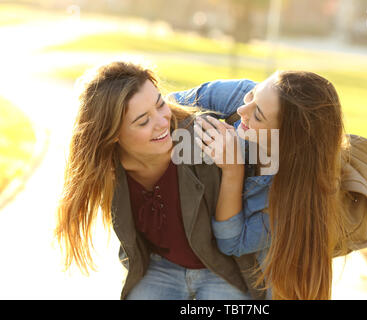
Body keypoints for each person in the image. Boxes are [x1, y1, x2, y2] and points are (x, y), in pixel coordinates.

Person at [54, 61, 266, 300]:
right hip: (160, 267)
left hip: (219, 269)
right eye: (143, 121)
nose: (162, 121)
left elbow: (270, 104)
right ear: (113, 135)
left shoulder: (203, 139)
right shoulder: (108, 169)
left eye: (160, 104)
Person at [173, 71, 347, 300]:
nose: (241, 111)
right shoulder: (257, 97)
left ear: (285, 140)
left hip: (263, 279)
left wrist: (232, 170)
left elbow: (233, 242)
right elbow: (164, 108)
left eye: (258, 116)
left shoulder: (293, 200)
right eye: (251, 96)